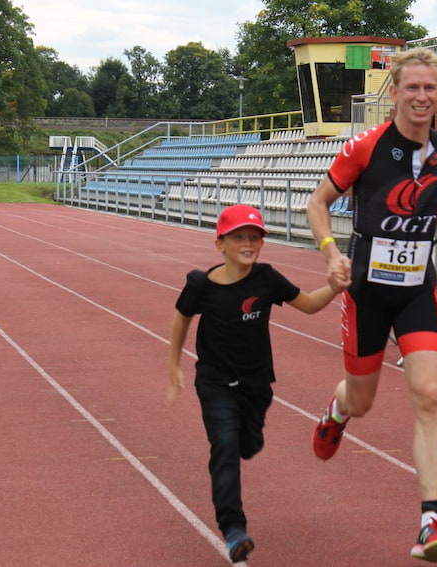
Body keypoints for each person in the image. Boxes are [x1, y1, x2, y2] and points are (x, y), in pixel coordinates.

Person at [306, 47, 437, 563]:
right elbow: (318, 203)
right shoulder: (366, 146)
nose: (421, 96)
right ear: (396, 92)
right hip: (366, 292)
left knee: (430, 393)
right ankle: (337, 412)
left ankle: (431, 521)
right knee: (363, 400)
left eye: (430, 88)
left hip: (417, 289)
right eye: (412, 88)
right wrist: (331, 252)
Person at [167, 204, 340, 563]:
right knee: (225, 448)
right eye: (239, 237)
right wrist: (174, 366)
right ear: (221, 244)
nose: (248, 243)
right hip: (214, 382)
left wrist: (334, 287)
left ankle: (250, 436)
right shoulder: (201, 284)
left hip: (256, 383)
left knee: (248, 444)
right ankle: (233, 529)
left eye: (254, 237)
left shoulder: (267, 279)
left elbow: (307, 305)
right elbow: (182, 318)